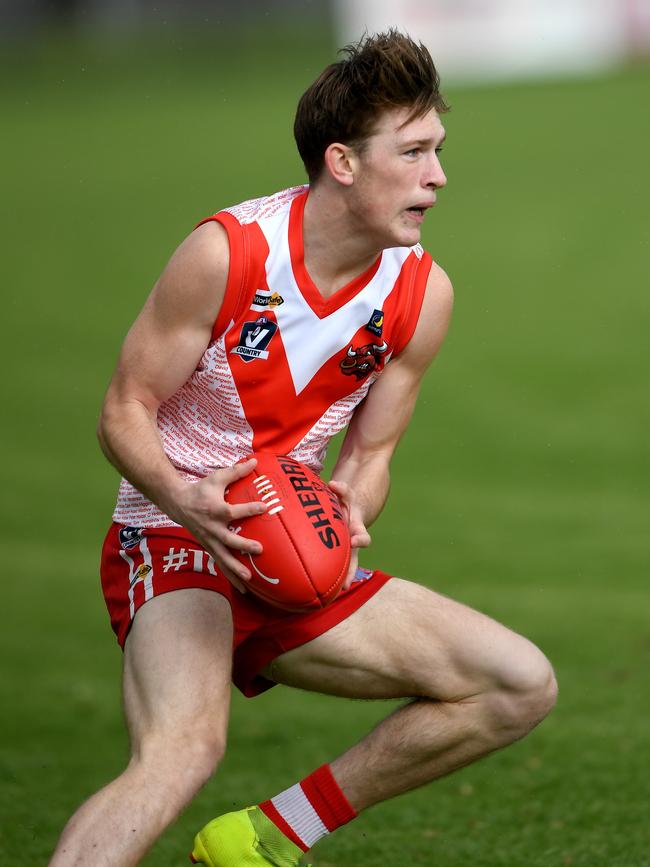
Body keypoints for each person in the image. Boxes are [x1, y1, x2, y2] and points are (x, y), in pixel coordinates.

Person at [49, 29, 557, 867]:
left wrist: (352, 506)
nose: (438, 176)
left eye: (439, 150)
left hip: (293, 555)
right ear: (344, 162)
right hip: (174, 535)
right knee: (182, 749)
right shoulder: (227, 252)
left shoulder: (422, 293)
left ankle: (264, 838)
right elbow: (123, 411)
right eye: (415, 151)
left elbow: (372, 454)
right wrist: (189, 502)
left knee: (516, 682)